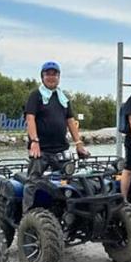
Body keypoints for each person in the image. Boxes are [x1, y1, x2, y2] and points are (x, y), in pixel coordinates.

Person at [23, 61, 89, 210]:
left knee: (69, 180)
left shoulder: (62, 98)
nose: (51, 77)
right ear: (42, 77)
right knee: (32, 182)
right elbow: (30, 118)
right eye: (48, 74)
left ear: (59, 77)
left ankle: (68, 212)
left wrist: (79, 144)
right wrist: (34, 141)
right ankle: (27, 215)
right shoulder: (36, 95)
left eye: (54, 74)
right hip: (41, 149)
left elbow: (70, 121)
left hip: (61, 149)